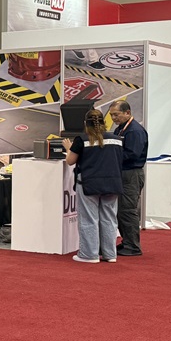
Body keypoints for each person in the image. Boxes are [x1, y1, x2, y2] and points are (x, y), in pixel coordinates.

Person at [64, 108, 124, 263]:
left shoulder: (82, 139)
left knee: (89, 219)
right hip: (112, 183)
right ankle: (110, 254)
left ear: (86, 123)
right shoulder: (117, 139)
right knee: (109, 219)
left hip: (89, 183)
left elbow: (70, 161)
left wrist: (68, 148)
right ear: (104, 122)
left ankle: (89, 254)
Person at [108, 100, 148, 256]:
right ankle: (127, 242)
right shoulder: (120, 129)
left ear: (127, 112)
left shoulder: (134, 131)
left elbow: (132, 154)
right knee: (121, 210)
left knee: (127, 210)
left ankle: (132, 246)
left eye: (116, 115)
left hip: (131, 174)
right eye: (111, 115)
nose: (113, 118)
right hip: (123, 173)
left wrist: (111, 157)